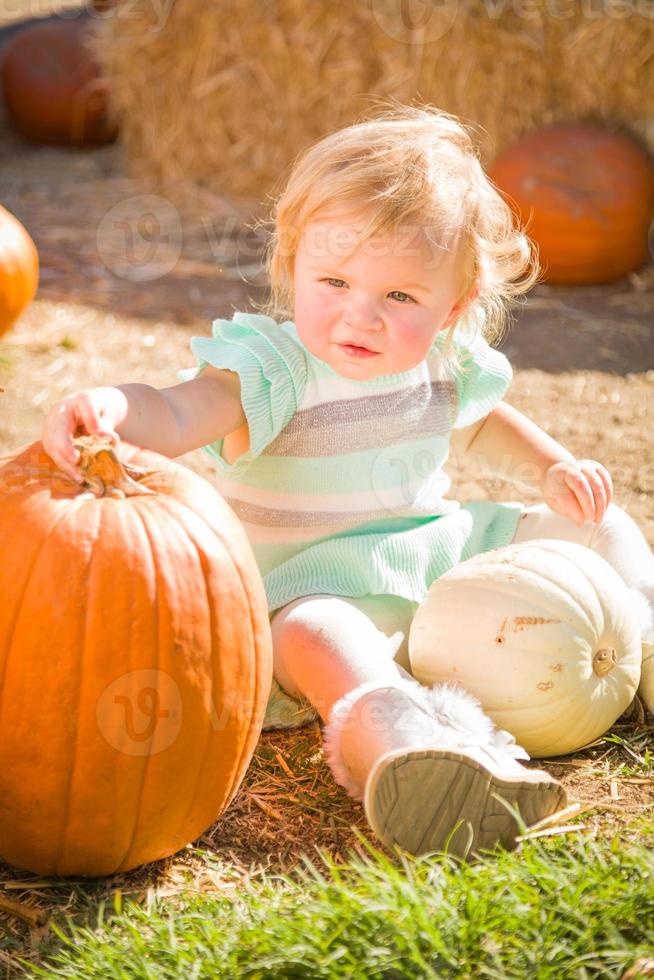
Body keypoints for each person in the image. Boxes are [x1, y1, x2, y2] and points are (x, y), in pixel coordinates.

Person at [42, 105, 654, 860]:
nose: (358, 317)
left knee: (598, 525)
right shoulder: (273, 366)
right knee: (312, 633)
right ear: (293, 264)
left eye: (400, 297)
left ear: (452, 306)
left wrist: (553, 467)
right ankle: (399, 737)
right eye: (333, 281)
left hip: (434, 557)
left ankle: (646, 646)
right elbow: (177, 410)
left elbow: (485, 422)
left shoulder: (443, 360)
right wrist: (116, 410)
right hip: (315, 583)